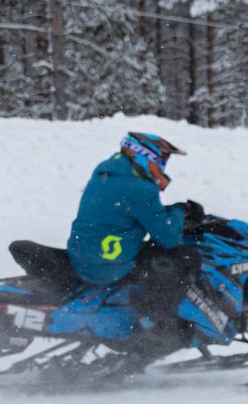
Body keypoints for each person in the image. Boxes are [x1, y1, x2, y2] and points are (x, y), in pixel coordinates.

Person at [66, 132, 204, 351]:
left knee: (153, 253)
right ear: (145, 155)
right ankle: (153, 324)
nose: (164, 165)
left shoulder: (106, 171)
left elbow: (132, 212)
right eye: (163, 159)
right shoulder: (140, 187)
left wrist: (168, 213)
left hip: (83, 254)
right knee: (184, 257)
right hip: (108, 264)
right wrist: (181, 210)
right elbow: (168, 238)